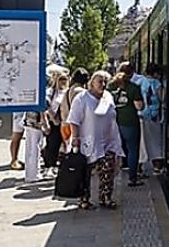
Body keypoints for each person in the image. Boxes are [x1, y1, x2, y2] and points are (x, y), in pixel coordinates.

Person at [68, 71, 124, 210]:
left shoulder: (108, 96)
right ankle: (84, 199)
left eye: (105, 81)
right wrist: (75, 137)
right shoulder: (82, 98)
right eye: (100, 81)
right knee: (86, 172)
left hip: (108, 140)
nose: (103, 84)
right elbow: (74, 120)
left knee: (108, 170)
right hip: (88, 141)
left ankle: (105, 198)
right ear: (91, 83)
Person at [108, 63, 144, 187]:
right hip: (129, 122)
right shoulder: (133, 87)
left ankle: (109, 175)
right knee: (132, 149)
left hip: (113, 122)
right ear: (132, 73)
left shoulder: (110, 86)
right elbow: (139, 106)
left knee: (112, 149)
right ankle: (132, 178)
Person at [139, 63, 165, 176]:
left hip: (142, 114)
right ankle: (156, 166)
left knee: (143, 141)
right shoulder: (156, 83)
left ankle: (140, 166)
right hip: (154, 115)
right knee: (156, 141)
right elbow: (162, 97)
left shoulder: (140, 82)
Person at [42, 72, 68, 178]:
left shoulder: (67, 92)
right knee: (52, 145)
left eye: (65, 79)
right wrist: (52, 117)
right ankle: (49, 166)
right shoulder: (51, 92)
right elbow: (46, 104)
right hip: (54, 122)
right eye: (61, 79)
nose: (63, 82)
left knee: (65, 145)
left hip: (64, 122)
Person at [60, 68, 89, 151]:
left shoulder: (68, 90)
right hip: (74, 126)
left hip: (65, 126)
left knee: (69, 151)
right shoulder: (81, 92)